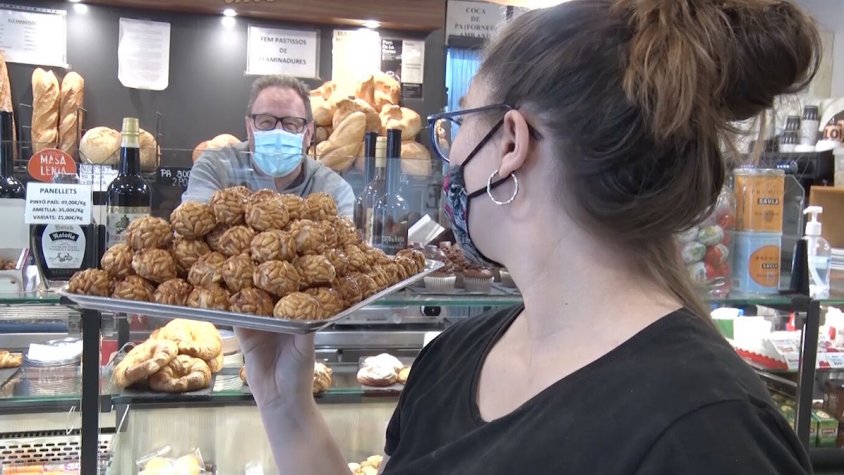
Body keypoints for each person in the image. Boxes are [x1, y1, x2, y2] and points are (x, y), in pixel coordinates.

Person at [236, 0, 820, 473]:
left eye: (459, 123)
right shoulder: (451, 360)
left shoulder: (711, 432)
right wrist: (284, 404)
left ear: (510, 144)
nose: (450, 153)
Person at [183, 75, 355, 217]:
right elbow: (191, 227)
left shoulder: (335, 191)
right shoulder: (214, 168)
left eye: (291, 124)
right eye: (266, 122)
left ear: (308, 133)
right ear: (249, 128)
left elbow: (347, 248)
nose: (278, 131)